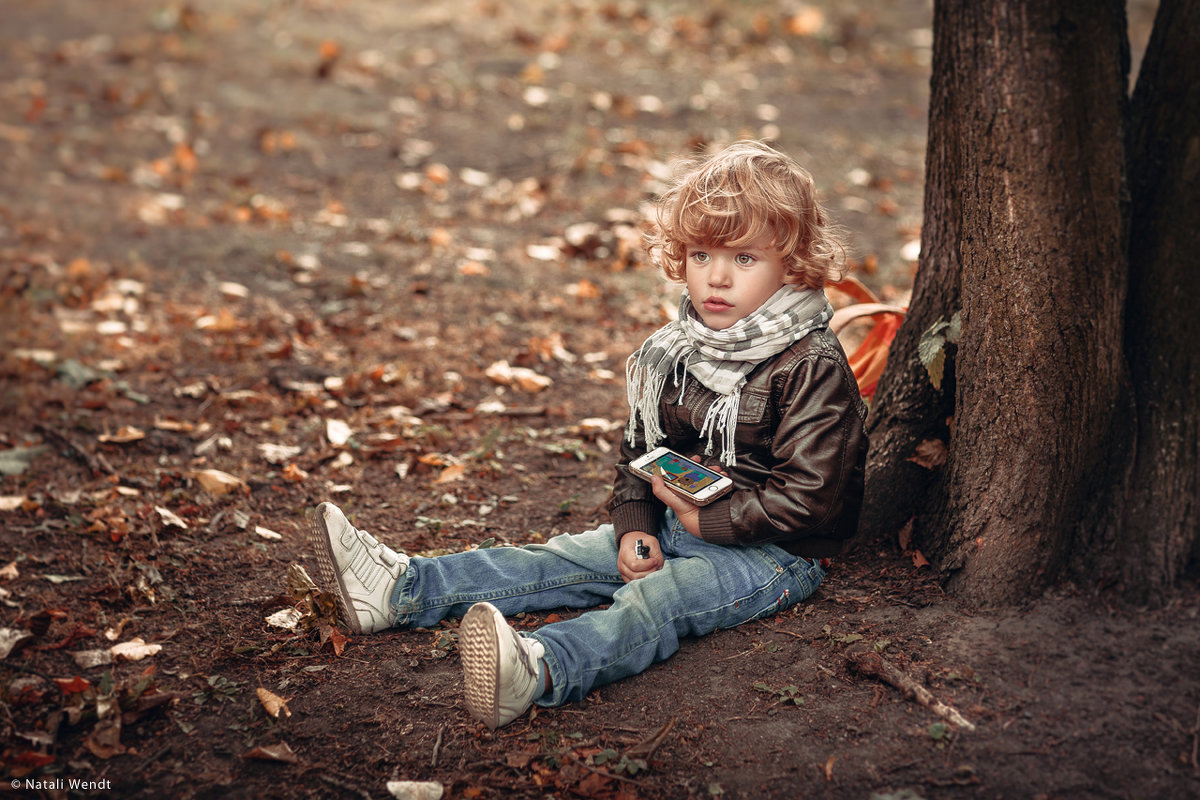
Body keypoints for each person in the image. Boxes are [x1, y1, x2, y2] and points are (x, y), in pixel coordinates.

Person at [307, 139, 868, 730]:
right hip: (684, 519)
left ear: (793, 263)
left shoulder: (810, 363)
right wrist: (636, 529)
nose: (717, 277)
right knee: (557, 560)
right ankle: (400, 588)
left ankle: (540, 669)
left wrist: (713, 524)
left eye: (745, 259)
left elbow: (813, 495)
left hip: (775, 554)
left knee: (660, 599)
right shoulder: (676, 351)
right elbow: (644, 453)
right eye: (701, 255)